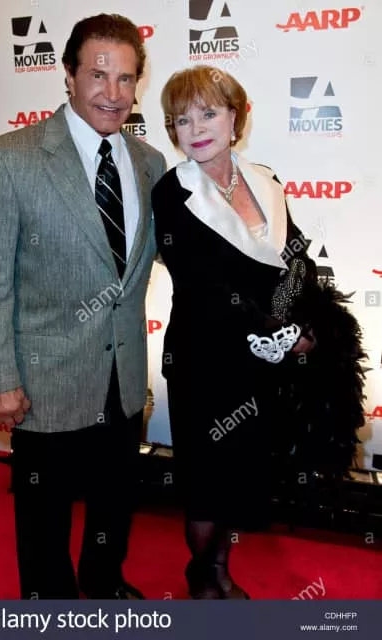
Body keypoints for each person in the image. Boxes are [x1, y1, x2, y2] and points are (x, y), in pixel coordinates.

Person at [0, 13, 166, 600]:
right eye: (98, 75)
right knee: (43, 515)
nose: (113, 93)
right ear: (69, 76)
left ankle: (104, 582)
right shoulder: (9, 158)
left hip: (122, 375)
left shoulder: (149, 163)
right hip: (42, 381)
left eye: (126, 78)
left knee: (114, 500)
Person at [152, 66, 366, 599]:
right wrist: (276, 333)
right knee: (207, 479)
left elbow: (295, 258)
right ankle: (205, 576)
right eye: (182, 120)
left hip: (261, 363)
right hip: (205, 357)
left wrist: (299, 323)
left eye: (208, 113)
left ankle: (221, 565)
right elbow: (202, 282)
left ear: (235, 117)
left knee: (242, 471)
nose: (196, 128)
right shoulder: (172, 192)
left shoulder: (265, 181)